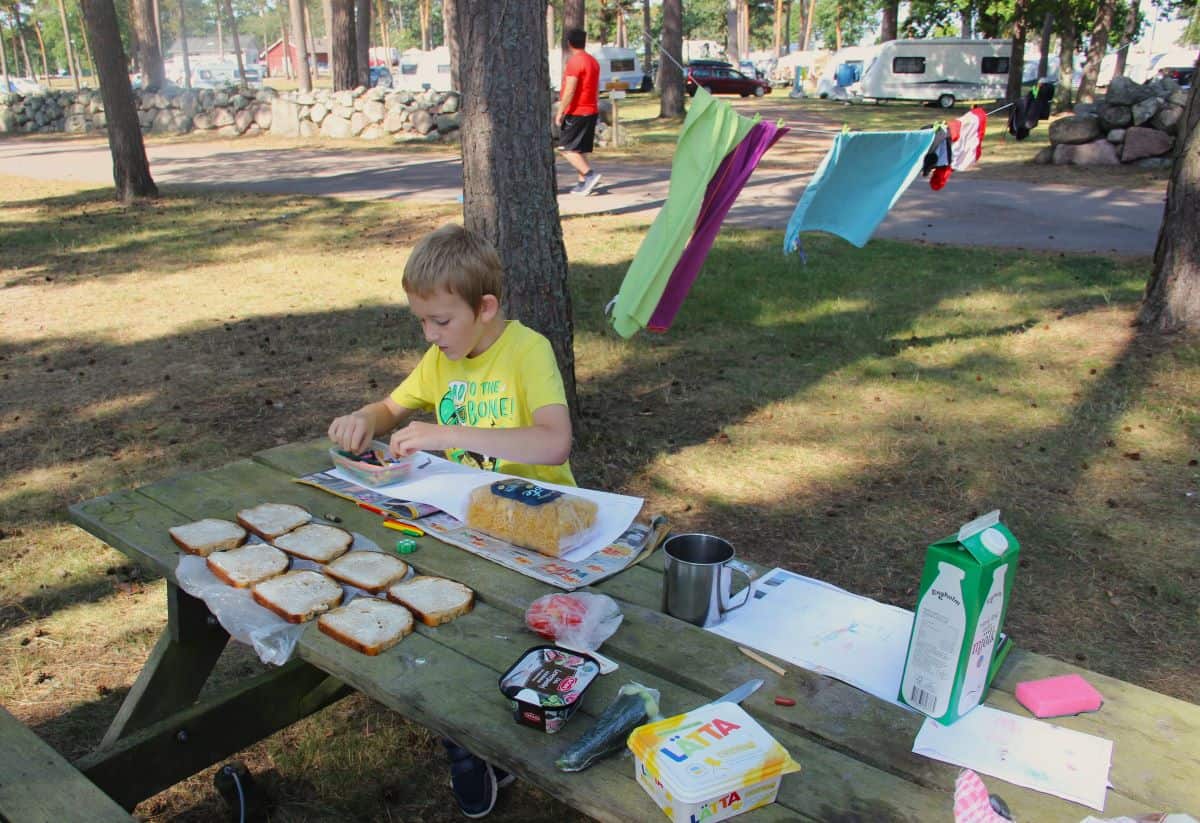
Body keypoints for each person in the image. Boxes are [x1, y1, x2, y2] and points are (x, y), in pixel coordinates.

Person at [327, 223, 576, 818]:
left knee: (513, 639)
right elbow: (393, 406)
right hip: (465, 522)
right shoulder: (441, 357)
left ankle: (507, 737)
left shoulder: (526, 350)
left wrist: (447, 433)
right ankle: (466, 742)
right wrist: (363, 417)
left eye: (441, 321)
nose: (430, 336)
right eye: (422, 322)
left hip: (541, 527)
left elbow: (555, 443)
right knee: (437, 623)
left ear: (484, 308)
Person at [555, 27, 603, 196]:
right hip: (591, 109)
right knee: (579, 149)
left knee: (565, 148)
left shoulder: (575, 62)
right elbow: (596, 87)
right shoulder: (593, 61)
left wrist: (560, 111)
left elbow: (570, 90)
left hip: (577, 110)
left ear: (569, 43)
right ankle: (583, 183)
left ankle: (590, 175)